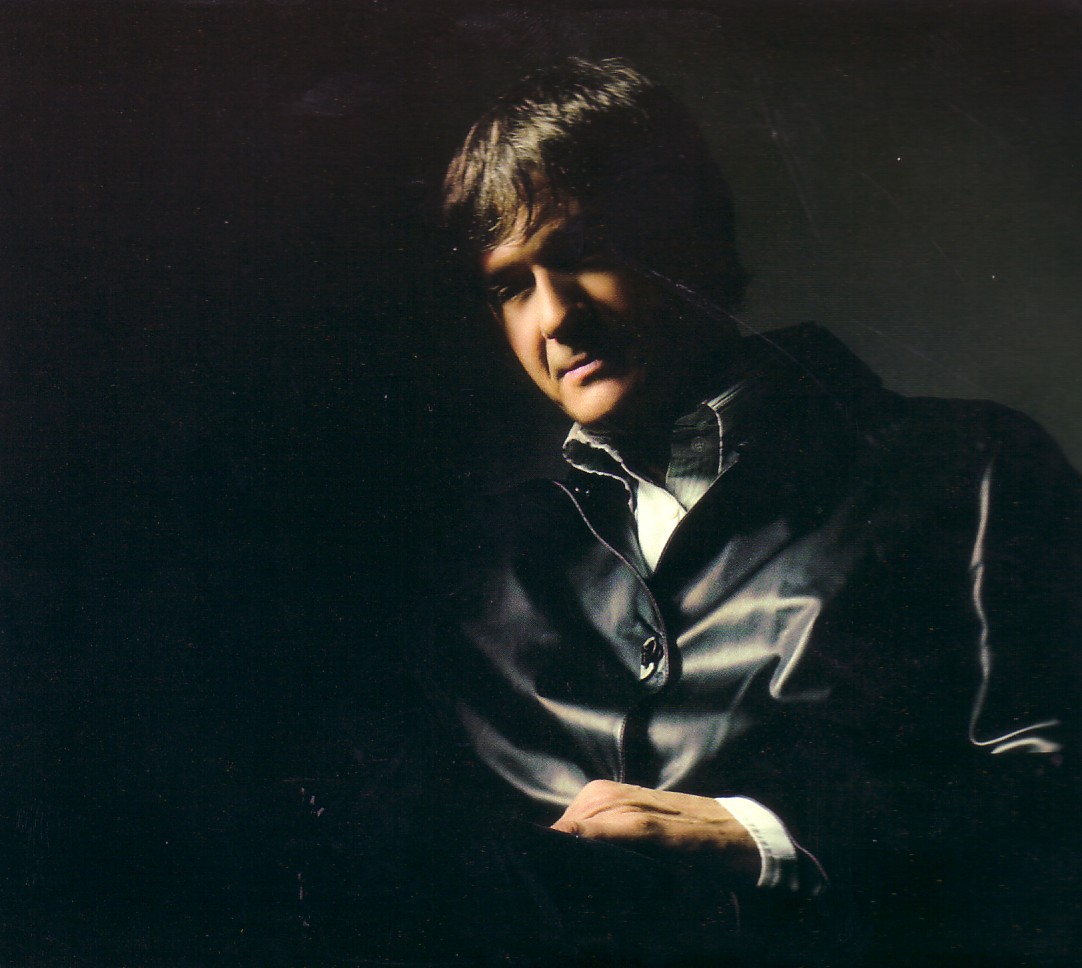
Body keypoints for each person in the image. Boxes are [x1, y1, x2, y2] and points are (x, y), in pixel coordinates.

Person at [306, 58, 1081, 966]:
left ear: (694, 241)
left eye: (583, 252)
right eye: (510, 285)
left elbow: (1056, 808)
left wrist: (765, 839)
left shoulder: (971, 465)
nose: (553, 318)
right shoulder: (478, 569)